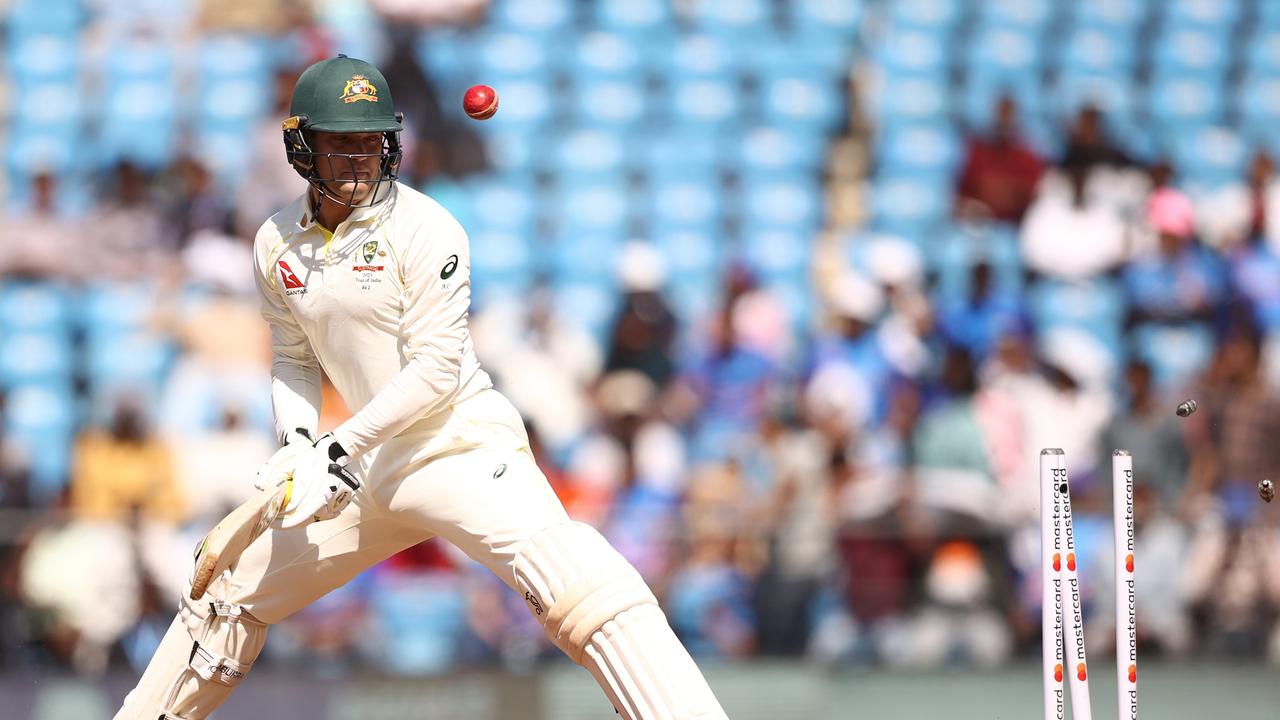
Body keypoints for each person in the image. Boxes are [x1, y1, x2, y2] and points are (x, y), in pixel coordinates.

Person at [114, 56, 728, 719]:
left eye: (369, 142)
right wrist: (297, 442)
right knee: (223, 602)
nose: (357, 159)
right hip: (360, 471)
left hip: (454, 447)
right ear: (301, 145)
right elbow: (292, 355)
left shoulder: (429, 229)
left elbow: (435, 372)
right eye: (339, 142)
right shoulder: (275, 244)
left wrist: (334, 447)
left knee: (578, 582)